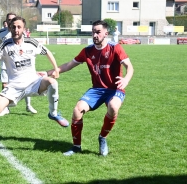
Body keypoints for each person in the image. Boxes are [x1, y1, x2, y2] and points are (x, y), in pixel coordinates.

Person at [0, 16, 69, 158]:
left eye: (19, 27)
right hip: (14, 87)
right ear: (10, 28)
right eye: (13, 27)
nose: (16, 30)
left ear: (24, 29)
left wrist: (56, 69)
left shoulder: (31, 42)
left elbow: (48, 53)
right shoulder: (5, 44)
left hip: (33, 83)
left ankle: (53, 114)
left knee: (53, 82)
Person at [48, 20, 134, 157]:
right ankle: (76, 146)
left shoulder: (115, 48)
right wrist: (48, 72)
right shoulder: (87, 51)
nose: (95, 35)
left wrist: (126, 80)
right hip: (97, 89)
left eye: (98, 32)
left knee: (113, 106)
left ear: (106, 33)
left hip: (115, 89)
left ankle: (102, 137)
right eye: (93, 32)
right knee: (77, 110)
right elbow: (69, 65)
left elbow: (129, 67)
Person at [0, 13, 37, 115]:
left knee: (26, 83)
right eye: (9, 20)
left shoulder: (20, 32)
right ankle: (5, 107)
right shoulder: (1, 32)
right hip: (4, 62)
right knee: (5, 83)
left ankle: (28, 105)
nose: (10, 21)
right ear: (6, 21)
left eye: (12, 19)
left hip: (18, 63)